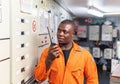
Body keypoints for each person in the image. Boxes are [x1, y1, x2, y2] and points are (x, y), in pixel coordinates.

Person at [34, 19, 98, 84]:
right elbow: (39, 78)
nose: (60, 34)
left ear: (73, 34)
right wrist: (49, 60)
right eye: (59, 31)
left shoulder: (84, 55)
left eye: (65, 32)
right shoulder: (48, 52)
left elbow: (93, 80)